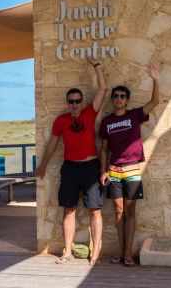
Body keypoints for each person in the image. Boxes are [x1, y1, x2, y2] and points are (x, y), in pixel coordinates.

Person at [35, 58, 108, 265]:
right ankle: (67, 251)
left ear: (82, 102)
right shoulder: (61, 121)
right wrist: (43, 165)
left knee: (95, 210)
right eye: (71, 101)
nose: (74, 104)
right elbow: (52, 145)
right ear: (68, 103)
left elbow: (103, 89)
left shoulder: (89, 113)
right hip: (70, 168)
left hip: (90, 167)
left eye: (77, 101)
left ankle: (95, 252)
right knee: (69, 209)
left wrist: (97, 67)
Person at [99, 63, 160, 267]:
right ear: (112, 100)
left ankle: (127, 253)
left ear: (127, 100)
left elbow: (155, 101)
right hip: (114, 171)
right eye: (115, 96)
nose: (118, 99)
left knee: (130, 211)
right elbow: (104, 149)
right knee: (118, 211)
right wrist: (103, 171)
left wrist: (155, 78)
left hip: (133, 169)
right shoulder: (107, 122)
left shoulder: (134, 115)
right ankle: (121, 250)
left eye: (122, 96)